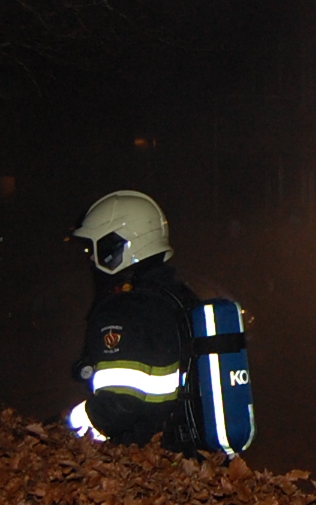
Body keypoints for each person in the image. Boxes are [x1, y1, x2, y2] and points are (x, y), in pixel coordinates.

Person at [66, 190, 244, 452]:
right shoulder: (177, 296)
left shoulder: (126, 311)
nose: (91, 257)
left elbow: (118, 406)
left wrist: (67, 428)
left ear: (118, 244)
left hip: (145, 456)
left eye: (95, 248)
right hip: (190, 451)